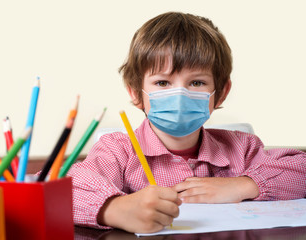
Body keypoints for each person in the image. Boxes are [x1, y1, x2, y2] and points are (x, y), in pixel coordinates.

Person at [66, 12, 306, 233]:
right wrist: (115, 208)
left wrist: (243, 186)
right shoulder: (117, 150)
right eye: (162, 83)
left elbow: (301, 169)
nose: (179, 95)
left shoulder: (242, 148)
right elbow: (63, 191)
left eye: (197, 83)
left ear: (220, 92)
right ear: (135, 92)